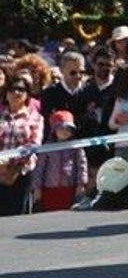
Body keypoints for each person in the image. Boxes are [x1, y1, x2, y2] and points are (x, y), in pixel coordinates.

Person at [1, 78, 44, 216]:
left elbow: (34, 143)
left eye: (21, 89)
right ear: (6, 94)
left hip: (22, 172)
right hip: (0, 170)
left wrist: (14, 164)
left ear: (27, 95)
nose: (16, 92)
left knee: (19, 213)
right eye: (12, 89)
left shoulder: (35, 117)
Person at [32, 111, 88, 212]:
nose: (65, 131)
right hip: (49, 189)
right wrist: (37, 188)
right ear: (54, 130)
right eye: (61, 128)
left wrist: (81, 184)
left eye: (68, 129)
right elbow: (39, 168)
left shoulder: (76, 147)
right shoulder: (47, 148)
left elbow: (82, 165)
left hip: (70, 188)